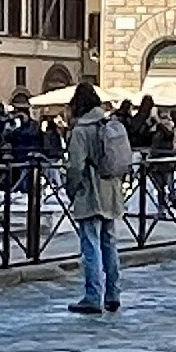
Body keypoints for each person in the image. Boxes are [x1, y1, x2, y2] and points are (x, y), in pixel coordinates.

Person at [62, 86, 134, 315]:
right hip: (110, 190)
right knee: (109, 245)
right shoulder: (109, 124)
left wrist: (70, 189)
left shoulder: (81, 130)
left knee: (90, 244)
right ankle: (113, 293)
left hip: (90, 191)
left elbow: (75, 166)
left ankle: (93, 296)